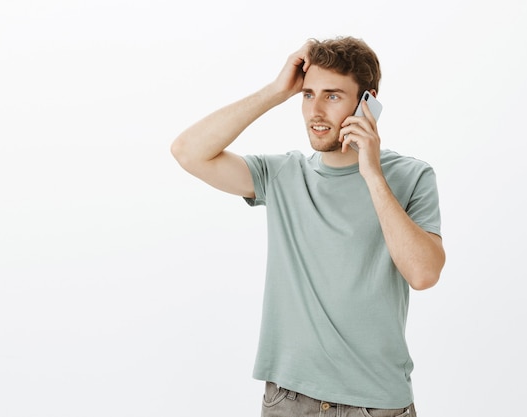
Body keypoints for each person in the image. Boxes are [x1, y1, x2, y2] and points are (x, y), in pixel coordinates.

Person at [170, 36, 445, 417]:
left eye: (332, 96)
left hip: (377, 403)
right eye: (307, 94)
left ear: (369, 102)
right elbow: (188, 151)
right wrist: (275, 91)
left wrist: (372, 174)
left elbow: (423, 273)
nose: (315, 110)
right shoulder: (282, 173)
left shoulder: (411, 176)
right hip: (289, 400)